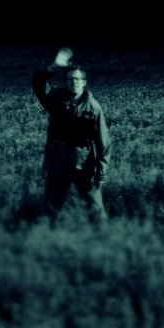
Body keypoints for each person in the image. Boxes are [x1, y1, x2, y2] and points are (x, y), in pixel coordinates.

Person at [32, 48, 111, 223]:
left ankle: (103, 235)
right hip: (57, 163)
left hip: (83, 165)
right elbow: (38, 83)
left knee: (96, 209)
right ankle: (45, 235)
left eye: (77, 79)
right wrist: (54, 67)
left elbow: (103, 142)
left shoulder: (94, 108)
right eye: (70, 79)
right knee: (50, 209)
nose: (74, 82)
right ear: (66, 82)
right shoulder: (55, 100)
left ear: (84, 82)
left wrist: (101, 172)